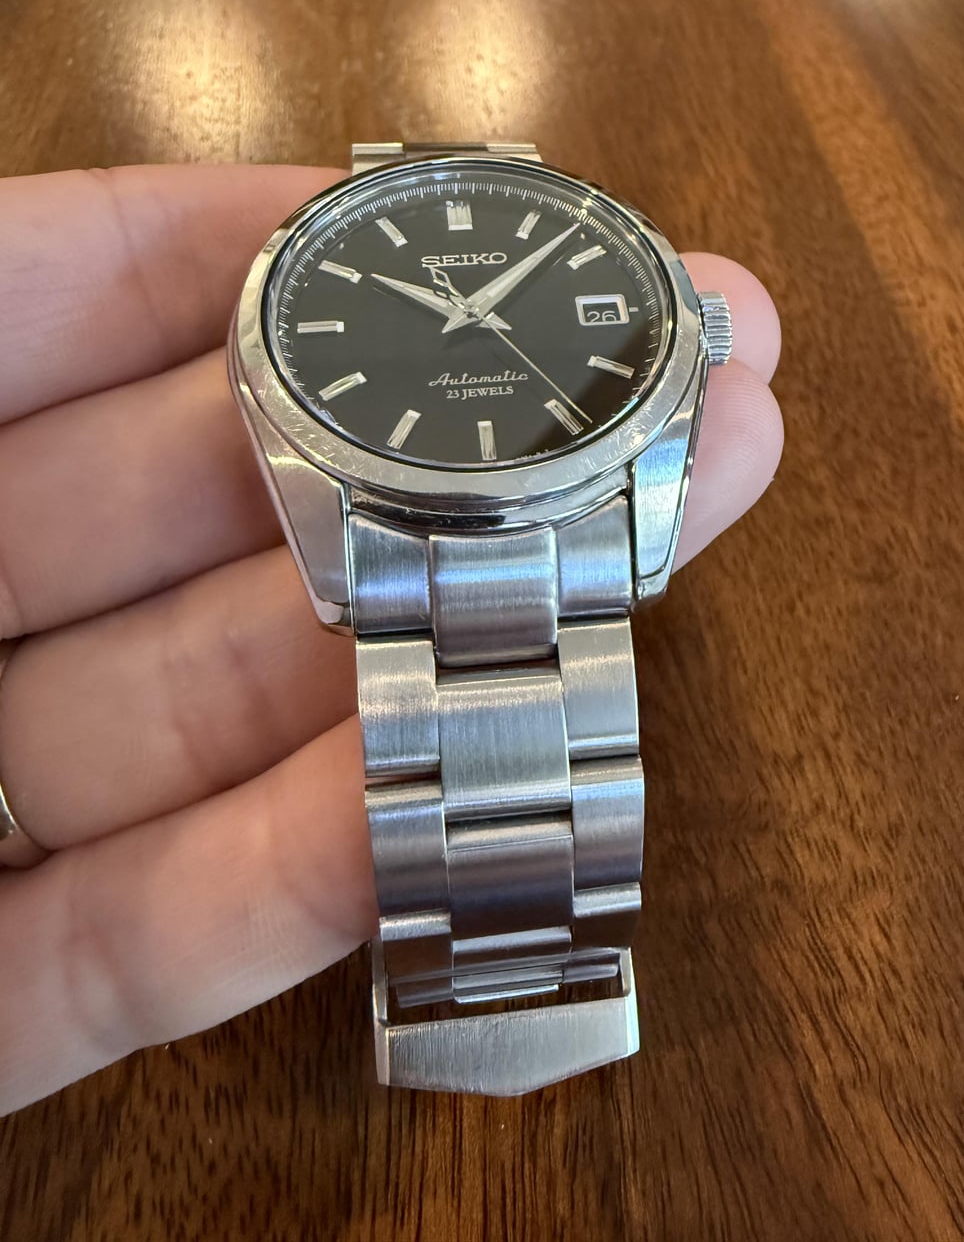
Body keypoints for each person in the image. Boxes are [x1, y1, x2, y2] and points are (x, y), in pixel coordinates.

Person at [0, 165, 783, 1115]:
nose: (472, 317)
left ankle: (564, 962)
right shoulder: (293, 353)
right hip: (390, 520)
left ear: (696, 335)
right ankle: (536, 966)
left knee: (573, 746)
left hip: (562, 500)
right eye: (460, 308)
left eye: (486, 303)